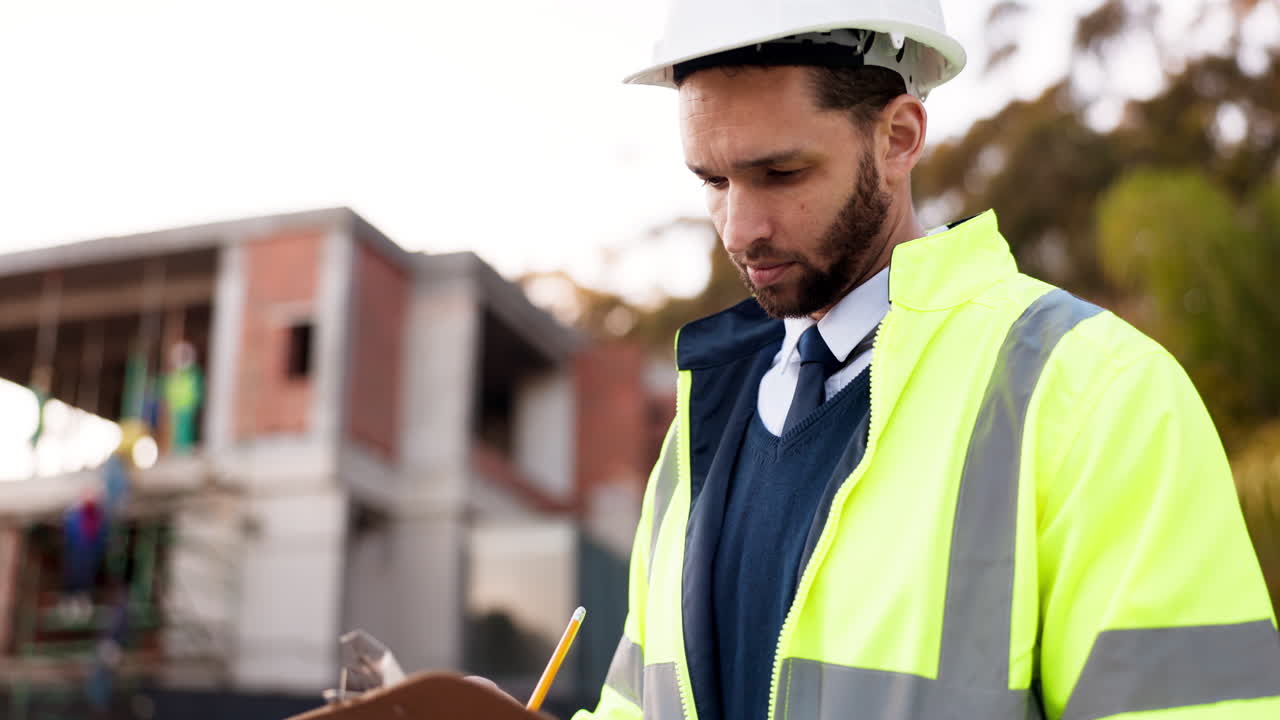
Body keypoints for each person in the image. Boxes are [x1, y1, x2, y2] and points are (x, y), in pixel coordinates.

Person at [574, 1, 1280, 719]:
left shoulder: (1094, 391)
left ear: (898, 138)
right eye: (714, 182)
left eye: (781, 173)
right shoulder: (693, 437)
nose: (741, 228)